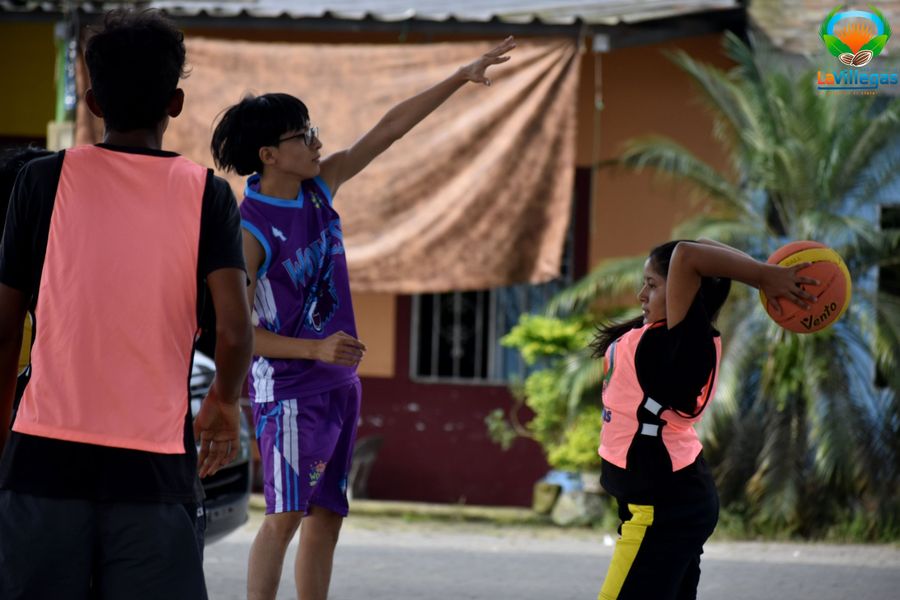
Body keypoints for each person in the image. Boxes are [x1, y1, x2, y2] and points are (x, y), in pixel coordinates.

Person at [210, 36, 516, 600]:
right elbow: (241, 334)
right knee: (284, 518)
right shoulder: (249, 229)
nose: (317, 142)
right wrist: (315, 349)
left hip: (339, 385)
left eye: (313, 129)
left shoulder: (320, 189)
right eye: (303, 135)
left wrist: (459, 76)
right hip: (289, 392)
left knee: (327, 516)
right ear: (269, 155)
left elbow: (388, 129)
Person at [0, 9, 253, 600]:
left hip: (42, 459)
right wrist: (224, 401)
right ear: (175, 103)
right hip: (154, 468)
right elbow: (235, 331)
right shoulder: (207, 194)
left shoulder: (41, 180)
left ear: (93, 103)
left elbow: (4, 328)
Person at [593, 239, 817, 600]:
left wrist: (763, 277)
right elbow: (699, 250)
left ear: (685, 289)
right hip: (670, 501)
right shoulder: (659, 338)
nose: (641, 295)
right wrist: (762, 273)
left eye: (652, 285)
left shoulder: (684, 346)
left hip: (661, 510)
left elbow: (689, 254)